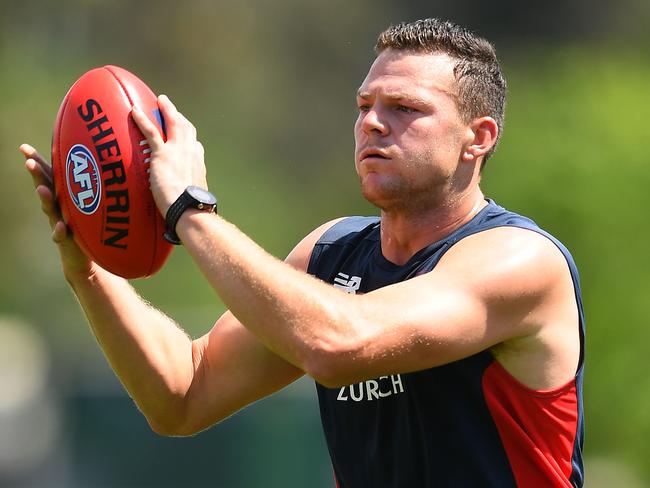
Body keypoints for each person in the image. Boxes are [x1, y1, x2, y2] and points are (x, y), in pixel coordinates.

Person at [22, 18, 584, 488]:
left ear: (478, 138)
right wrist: (89, 269)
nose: (371, 122)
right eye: (365, 104)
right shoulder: (332, 254)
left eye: (405, 108)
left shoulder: (519, 260)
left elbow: (339, 344)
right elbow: (183, 394)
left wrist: (189, 211)